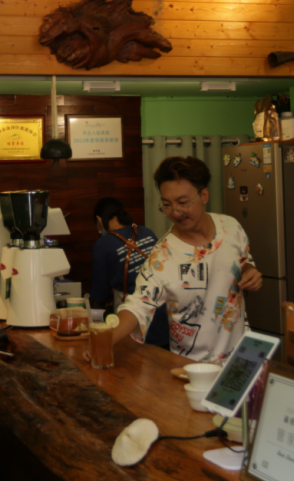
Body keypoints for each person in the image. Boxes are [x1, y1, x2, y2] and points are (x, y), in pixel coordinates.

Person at [103, 156, 263, 364]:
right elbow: (137, 306)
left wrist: (249, 270)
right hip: (192, 367)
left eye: (183, 203)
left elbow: (243, 259)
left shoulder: (230, 226)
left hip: (241, 358)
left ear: (204, 195)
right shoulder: (162, 257)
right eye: (167, 205)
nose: (175, 212)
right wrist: (104, 341)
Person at [88, 197, 169, 348]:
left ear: (99, 220)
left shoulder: (102, 245)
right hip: (165, 316)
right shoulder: (147, 232)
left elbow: (100, 294)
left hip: (133, 320)